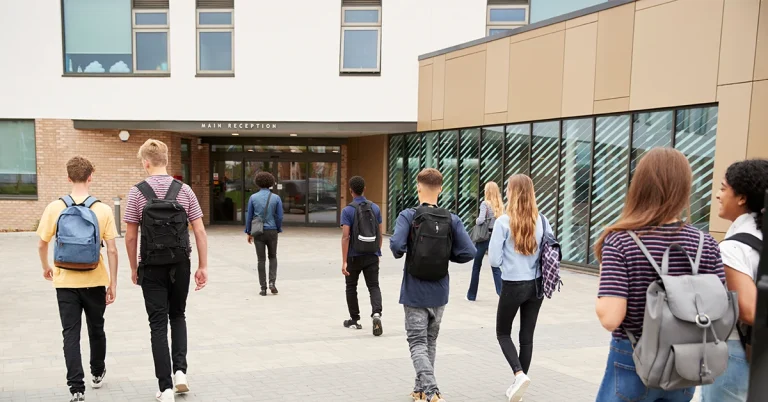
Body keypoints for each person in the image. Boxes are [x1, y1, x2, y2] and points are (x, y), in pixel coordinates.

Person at [594, 148, 725, 402]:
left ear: (639, 185)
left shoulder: (621, 241)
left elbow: (611, 317)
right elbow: (719, 314)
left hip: (633, 358)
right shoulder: (705, 244)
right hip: (686, 361)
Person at [124, 139, 208, 402]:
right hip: (180, 263)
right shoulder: (184, 191)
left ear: (145, 162)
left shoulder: (137, 192)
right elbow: (200, 230)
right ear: (167, 161)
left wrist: (133, 267)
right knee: (178, 315)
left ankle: (165, 388)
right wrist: (203, 265)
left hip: (151, 265)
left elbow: (129, 236)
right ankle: (181, 372)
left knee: (157, 325)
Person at [36, 156, 118, 402]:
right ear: (91, 176)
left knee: (70, 333)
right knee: (97, 329)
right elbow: (112, 250)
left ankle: (76, 388)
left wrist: (46, 267)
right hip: (95, 280)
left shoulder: (54, 208)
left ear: (68, 177)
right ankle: (97, 372)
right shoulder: (102, 209)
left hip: (65, 282)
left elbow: (41, 243)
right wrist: (113, 282)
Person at [390, 168, 476, 402]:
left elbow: (396, 247)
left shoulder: (408, 216)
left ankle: (431, 391)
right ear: (440, 188)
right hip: (439, 292)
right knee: (430, 342)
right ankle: (419, 390)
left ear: (418, 187)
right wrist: (445, 255)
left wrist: (414, 252)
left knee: (417, 342)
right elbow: (470, 251)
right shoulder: (452, 218)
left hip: (414, 291)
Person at [702, 159, 768, 402]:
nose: (718, 195)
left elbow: (750, 311)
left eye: (722, 188)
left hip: (736, 353)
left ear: (741, 198)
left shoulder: (734, 248)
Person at [489, 175, 550, 402]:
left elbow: (494, 260)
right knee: (527, 336)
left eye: (507, 188)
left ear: (512, 193)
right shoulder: (543, 220)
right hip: (537, 284)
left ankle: (518, 374)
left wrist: (510, 262)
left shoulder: (503, 222)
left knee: (502, 332)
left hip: (513, 284)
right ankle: (519, 385)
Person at [340, 176, 384, 335]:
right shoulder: (376, 208)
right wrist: (377, 252)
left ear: (351, 191)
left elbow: (346, 236)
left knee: (351, 286)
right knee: (373, 285)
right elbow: (379, 233)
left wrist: (344, 261)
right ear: (364, 189)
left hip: (353, 255)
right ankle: (377, 313)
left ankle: (355, 319)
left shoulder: (347, 210)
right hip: (371, 255)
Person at [245, 171, 284, 296]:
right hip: (272, 230)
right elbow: (280, 216)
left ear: (258, 183)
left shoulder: (253, 198)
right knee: (273, 256)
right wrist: (278, 228)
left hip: (258, 232)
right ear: (271, 183)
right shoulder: (276, 198)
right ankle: (272, 282)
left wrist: (248, 232)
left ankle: (263, 288)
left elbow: (249, 216)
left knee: (260, 259)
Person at [466, 181, 504, 301]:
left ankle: (471, 295)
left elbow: (481, 220)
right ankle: (501, 293)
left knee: (477, 265)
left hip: (483, 238)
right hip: (495, 237)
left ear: (487, 191)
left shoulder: (485, 204)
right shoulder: (500, 205)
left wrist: (476, 219)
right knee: (495, 265)